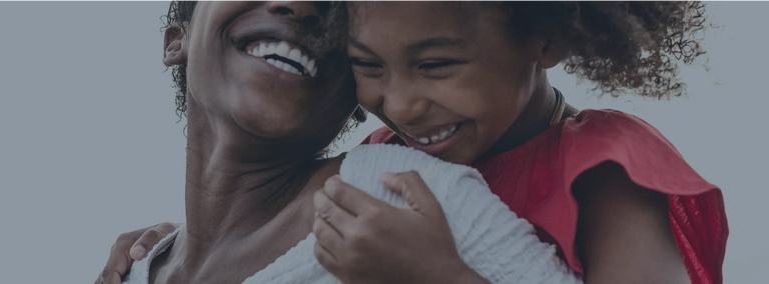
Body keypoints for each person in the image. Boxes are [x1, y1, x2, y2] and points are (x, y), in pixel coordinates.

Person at [101, 0, 729, 283]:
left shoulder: (604, 166)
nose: (399, 103)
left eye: (434, 66)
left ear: (546, 39)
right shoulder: (389, 158)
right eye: (367, 67)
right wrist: (171, 244)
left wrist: (438, 278)